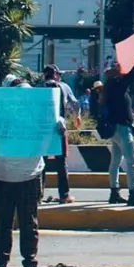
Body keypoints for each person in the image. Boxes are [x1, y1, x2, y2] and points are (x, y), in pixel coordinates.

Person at [0, 75, 66, 267]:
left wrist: (59, 128)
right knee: (3, 224)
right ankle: (1, 264)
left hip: (30, 175)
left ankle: (29, 264)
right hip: (1, 175)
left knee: (29, 223)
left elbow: (55, 134)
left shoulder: (43, 117)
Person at [101, 45, 134, 206]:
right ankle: (133, 194)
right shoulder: (119, 85)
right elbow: (133, 74)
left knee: (115, 161)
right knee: (131, 162)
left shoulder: (109, 87)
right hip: (122, 128)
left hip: (114, 129)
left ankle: (114, 192)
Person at [41, 65, 78, 204]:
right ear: (55, 74)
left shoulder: (39, 88)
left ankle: (38, 194)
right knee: (61, 162)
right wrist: (77, 116)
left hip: (43, 129)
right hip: (59, 128)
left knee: (41, 162)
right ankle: (64, 194)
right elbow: (74, 103)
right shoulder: (63, 87)